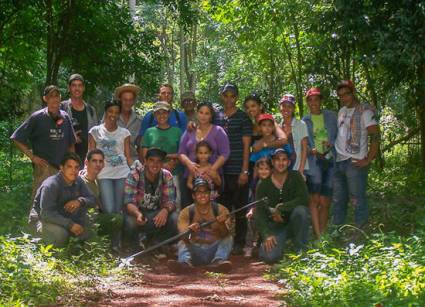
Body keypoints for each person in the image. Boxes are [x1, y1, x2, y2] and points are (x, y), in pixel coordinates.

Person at [11, 85, 76, 215]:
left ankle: (55, 231)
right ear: (45, 99)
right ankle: (33, 229)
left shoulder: (65, 117)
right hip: (44, 168)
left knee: (60, 201)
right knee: (39, 200)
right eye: (51, 96)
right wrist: (32, 157)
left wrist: (72, 164)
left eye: (56, 96)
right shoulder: (37, 117)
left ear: (60, 98)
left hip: (62, 168)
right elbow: (16, 138)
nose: (54, 99)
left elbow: (71, 144)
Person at [333, 80, 380, 229]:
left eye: (346, 94)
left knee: (357, 198)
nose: (343, 98)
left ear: (353, 93)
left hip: (355, 161)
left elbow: (376, 136)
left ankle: (360, 231)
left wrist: (368, 159)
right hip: (339, 160)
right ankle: (337, 231)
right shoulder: (341, 111)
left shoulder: (365, 112)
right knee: (339, 199)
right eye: (340, 96)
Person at [88, 100, 133, 250]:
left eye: (116, 112)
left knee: (119, 210)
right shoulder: (95, 131)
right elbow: (90, 154)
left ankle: (116, 244)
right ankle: (107, 243)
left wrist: (136, 170)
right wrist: (86, 170)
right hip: (104, 174)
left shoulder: (124, 133)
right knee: (108, 209)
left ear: (119, 114)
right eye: (110, 112)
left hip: (122, 173)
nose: (113, 115)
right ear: (106, 112)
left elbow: (128, 156)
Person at [215, 83, 252, 255]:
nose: (229, 99)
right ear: (222, 96)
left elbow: (247, 145)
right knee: (223, 209)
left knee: (240, 208)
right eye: (226, 95)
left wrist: (245, 170)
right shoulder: (217, 117)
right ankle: (223, 241)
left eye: (232, 95)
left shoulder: (243, 117)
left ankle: (239, 242)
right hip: (221, 171)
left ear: (236, 97)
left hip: (238, 169)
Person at [167, 177, 233, 274]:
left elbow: (225, 234)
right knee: (182, 242)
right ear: (194, 195)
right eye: (199, 193)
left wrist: (221, 224)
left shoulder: (221, 210)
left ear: (210, 194)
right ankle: (184, 264)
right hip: (195, 252)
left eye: (205, 192)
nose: (202, 195)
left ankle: (218, 262)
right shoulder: (186, 212)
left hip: (213, 250)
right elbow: (183, 236)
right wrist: (190, 231)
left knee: (229, 238)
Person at [255, 148, 309, 263]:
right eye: (277, 160)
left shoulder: (295, 177)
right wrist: (266, 234)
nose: (281, 163)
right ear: (273, 162)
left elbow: (304, 199)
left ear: (289, 162)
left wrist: (281, 208)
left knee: (302, 211)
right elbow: (259, 212)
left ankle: (301, 250)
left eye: (284, 160)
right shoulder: (263, 183)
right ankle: (282, 245)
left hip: (293, 222)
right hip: (275, 225)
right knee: (269, 257)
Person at [31, 152, 96, 247]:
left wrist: (80, 201)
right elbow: (46, 214)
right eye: (69, 167)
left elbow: (92, 200)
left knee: (92, 229)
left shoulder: (78, 180)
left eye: (76, 167)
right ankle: (53, 256)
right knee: (61, 234)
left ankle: (75, 254)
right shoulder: (51, 185)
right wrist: (70, 225)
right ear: (61, 168)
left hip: (65, 217)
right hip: (42, 220)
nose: (73, 170)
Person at [124, 148, 178, 253]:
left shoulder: (166, 175)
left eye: (159, 161)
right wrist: (137, 214)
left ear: (162, 163)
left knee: (174, 217)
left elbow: (171, 200)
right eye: (152, 160)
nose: (155, 164)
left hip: (156, 214)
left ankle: (156, 244)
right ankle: (134, 247)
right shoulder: (134, 174)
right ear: (146, 161)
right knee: (130, 222)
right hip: (138, 213)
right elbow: (128, 202)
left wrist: (165, 210)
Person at [179, 102, 230, 208]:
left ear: (211, 116)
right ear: (197, 114)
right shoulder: (190, 130)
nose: (203, 116)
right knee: (190, 210)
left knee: (212, 211)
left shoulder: (218, 131)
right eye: (201, 112)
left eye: (207, 113)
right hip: (191, 176)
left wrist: (212, 169)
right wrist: (189, 164)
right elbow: (181, 152)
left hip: (212, 178)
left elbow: (225, 153)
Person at [302, 87, 338, 238]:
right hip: (314, 161)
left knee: (325, 201)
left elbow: (340, 136)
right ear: (307, 103)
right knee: (314, 200)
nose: (313, 102)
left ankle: (323, 235)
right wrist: (310, 150)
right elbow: (303, 143)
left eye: (316, 99)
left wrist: (332, 143)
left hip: (329, 160)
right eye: (310, 100)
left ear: (321, 100)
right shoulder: (305, 120)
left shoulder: (332, 117)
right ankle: (318, 236)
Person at [141, 101, 183, 206]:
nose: (161, 115)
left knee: (175, 203)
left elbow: (182, 153)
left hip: (174, 172)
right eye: (158, 113)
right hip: (153, 174)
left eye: (164, 112)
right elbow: (145, 155)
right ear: (154, 115)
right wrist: (163, 165)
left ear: (169, 114)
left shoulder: (177, 131)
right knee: (153, 203)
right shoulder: (149, 132)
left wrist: (168, 160)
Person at [61, 73, 98, 163]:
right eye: (74, 85)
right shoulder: (62, 107)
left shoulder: (91, 110)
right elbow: (54, 128)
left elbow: (96, 134)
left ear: (83, 88)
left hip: (86, 159)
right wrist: (70, 135)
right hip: (65, 158)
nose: (77, 88)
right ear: (69, 88)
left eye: (80, 85)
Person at [279, 94, 309, 177]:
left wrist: (301, 170)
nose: (286, 109)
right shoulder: (278, 127)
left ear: (293, 109)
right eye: (284, 106)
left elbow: (304, 148)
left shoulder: (301, 124)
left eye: (289, 106)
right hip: (282, 168)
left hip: (298, 167)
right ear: (280, 108)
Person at [114, 83, 142, 161]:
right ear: (120, 100)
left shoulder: (138, 121)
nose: (128, 103)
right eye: (125, 100)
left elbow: (140, 146)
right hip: (113, 161)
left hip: (132, 161)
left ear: (134, 101)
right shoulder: (112, 117)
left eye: (130, 100)